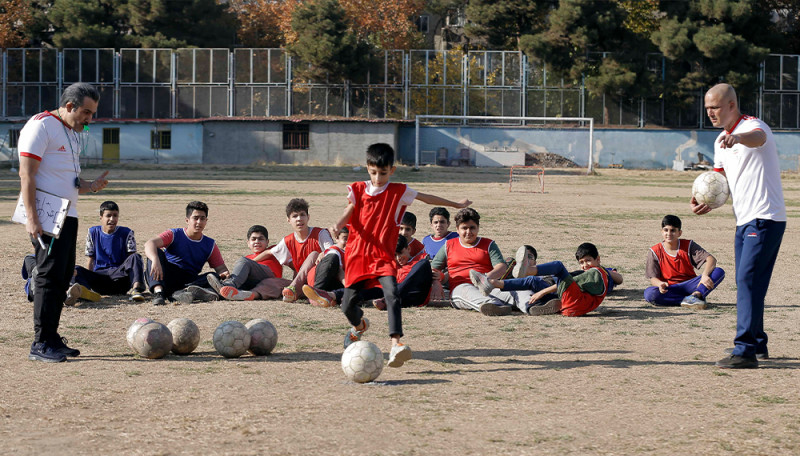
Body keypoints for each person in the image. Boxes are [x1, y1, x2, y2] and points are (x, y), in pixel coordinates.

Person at [330, 143, 470, 368]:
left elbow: (426, 198)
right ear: (368, 168)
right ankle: (358, 326)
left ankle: (396, 343)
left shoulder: (398, 191)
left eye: (383, 173)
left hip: (383, 256)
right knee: (348, 305)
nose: (378, 178)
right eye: (374, 172)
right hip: (358, 256)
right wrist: (338, 224)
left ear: (392, 170)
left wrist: (455, 204)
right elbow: (349, 210)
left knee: (392, 294)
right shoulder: (357, 189)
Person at [694, 83, 786, 369]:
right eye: (707, 108)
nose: (710, 112)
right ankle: (757, 341)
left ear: (731, 105)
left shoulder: (755, 127)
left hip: (766, 218)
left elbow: (757, 139)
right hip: (744, 220)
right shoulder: (720, 139)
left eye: (715, 107)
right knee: (748, 282)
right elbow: (720, 181)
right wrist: (707, 199)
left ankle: (744, 350)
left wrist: (740, 139)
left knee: (747, 280)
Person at [18, 82, 109, 362]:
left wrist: (90, 186)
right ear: (69, 106)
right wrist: (32, 219)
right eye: (86, 112)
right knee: (48, 277)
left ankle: (52, 337)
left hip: (67, 214)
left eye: (93, 113)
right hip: (46, 215)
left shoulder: (71, 132)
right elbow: (27, 175)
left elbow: (66, 178)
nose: (89, 119)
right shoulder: (41, 126)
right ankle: (40, 343)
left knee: (62, 275)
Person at [430, 207, 530, 316]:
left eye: (472, 228)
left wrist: (485, 278)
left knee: (517, 292)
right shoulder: (448, 245)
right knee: (468, 292)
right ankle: (496, 307)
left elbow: (501, 266)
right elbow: (433, 269)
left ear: (478, 228)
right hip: (461, 287)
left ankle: (533, 305)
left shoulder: (488, 244)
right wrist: (436, 283)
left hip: (488, 285)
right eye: (464, 228)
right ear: (457, 229)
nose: (468, 232)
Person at [472, 243, 616, 317]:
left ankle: (527, 270)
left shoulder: (596, 273)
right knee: (532, 281)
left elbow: (574, 281)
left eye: (588, 261)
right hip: (571, 305)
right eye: (582, 262)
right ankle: (492, 284)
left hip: (575, 303)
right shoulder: (596, 272)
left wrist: (542, 292)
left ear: (598, 259)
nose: (585, 265)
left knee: (558, 266)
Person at [144, 201, 229, 305]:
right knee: (155, 252)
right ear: (187, 220)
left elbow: (221, 268)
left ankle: (183, 293)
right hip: (166, 275)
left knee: (212, 275)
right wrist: (155, 259)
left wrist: (225, 274)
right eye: (195, 218)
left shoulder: (210, 244)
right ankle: (159, 294)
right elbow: (149, 243)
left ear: (206, 221)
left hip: (189, 280)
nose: (199, 222)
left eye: (202, 219)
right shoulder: (174, 234)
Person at [249, 198, 333, 302]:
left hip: (319, 280)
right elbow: (268, 252)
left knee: (314, 254)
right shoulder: (288, 240)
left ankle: (294, 289)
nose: (299, 219)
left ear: (308, 217)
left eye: (302, 215)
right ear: (288, 220)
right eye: (295, 216)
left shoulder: (320, 233)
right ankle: (246, 294)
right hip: (303, 286)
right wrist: (250, 263)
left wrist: (324, 253)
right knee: (271, 282)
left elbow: (333, 251)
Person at [644, 215, 725, 309]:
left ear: (679, 233)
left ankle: (697, 294)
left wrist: (705, 275)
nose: (669, 233)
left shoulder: (688, 245)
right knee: (649, 293)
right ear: (662, 232)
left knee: (718, 271)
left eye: (673, 230)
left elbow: (711, 259)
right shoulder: (654, 251)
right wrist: (659, 284)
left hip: (691, 285)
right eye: (666, 230)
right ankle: (690, 300)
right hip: (670, 288)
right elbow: (653, 278)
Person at [207, 225, 288, 301]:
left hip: (269, 276)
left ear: (267, 242)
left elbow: (270, 253)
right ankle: (209, 292)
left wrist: (250, 262)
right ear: (248, 243)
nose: (257, 242)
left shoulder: (273, 248)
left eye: (261, 239)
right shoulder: (247, 258)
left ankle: (227, 285)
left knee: (243, 262)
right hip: (252, 283)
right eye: (253, 239)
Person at [306, 226, 349, 292]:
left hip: (333, 282)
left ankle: (330, 296)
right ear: (337, 238)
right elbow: (340, 272)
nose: (348, 242)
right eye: (345, 239)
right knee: (333, 258)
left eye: (351, 239)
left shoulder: (352, 253)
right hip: (318, 280)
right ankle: (317, 291)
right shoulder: (334, 251)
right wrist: (349, 288)